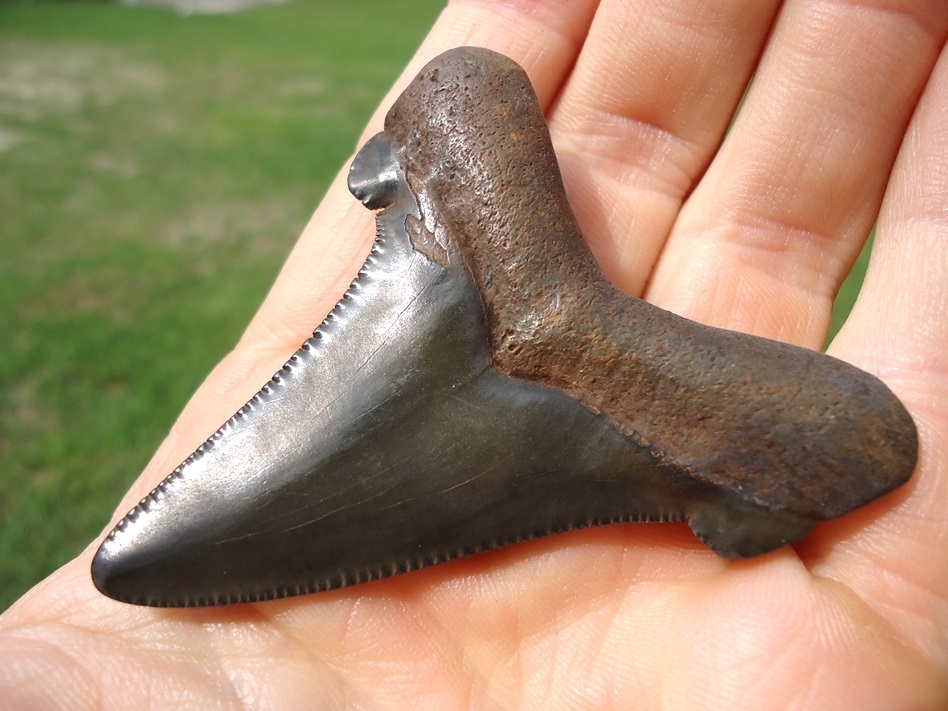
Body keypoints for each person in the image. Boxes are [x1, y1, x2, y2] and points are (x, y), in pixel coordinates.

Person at [2, 2, 946, 707]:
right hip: (488, 234)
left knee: (471, 99)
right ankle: (634, 391)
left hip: (473, 211)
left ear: (375, 177)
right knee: (473, 105)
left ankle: (549, 322)